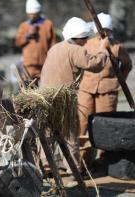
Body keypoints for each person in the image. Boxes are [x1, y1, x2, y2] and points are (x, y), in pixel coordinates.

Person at [40, 17, 110, 174]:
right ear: (78, 38)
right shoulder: (76, 50)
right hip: (63, 100)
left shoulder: (55, 48)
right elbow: (95, 65)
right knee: (70, 134)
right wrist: (103, 49)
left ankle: (46, 166)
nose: (86, 42)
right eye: (84, 39)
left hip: (44, 98)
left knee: (48, 134)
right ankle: (73, 169)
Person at [78, 13, 132, 137]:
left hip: (108, 91)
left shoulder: (117, 47)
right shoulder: (87, 44)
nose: (104, 32)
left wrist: (119, 80)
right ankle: (81, 152)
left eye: (106, 30)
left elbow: (127, 65)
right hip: (86, 89)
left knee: (105, 123)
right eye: (101, 29)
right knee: (82, 120)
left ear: (110, 30)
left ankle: (104, 154)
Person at [15, 0, 56, 79]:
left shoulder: (47, 24)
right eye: (30, 14)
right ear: (27, 14)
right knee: (28, 87)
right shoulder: (24, 26)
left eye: (34, 14)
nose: (32, 16)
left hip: (44, 64)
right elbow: (18, 42)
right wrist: (27, 35)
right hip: (28, 65)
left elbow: (53, 44)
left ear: (39, 12)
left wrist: (52, 59)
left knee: (44, 88)